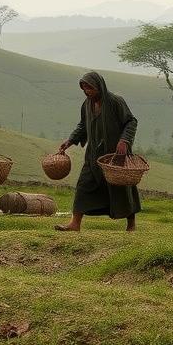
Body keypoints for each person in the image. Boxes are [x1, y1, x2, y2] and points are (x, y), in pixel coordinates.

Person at [55, 71, 140, 232]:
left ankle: (131, 224)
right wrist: (70, 140)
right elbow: (82, 125)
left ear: (99, 86)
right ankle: (75, 224)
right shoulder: (87, 104)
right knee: (83, 185)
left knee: (122, 189)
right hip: (93, 155)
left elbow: (131, 121)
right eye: (84, 88)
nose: (87, 91)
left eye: (90, 88)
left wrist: (124, 141)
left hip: (115, 155)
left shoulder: (115, 102)